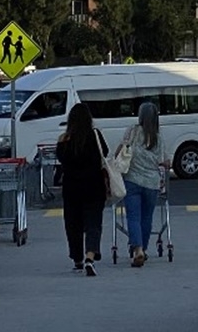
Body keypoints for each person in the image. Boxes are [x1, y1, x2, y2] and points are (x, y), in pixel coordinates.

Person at [56, 103, 109, 276]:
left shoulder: (64, 139)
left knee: (73, 224)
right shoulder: (95, 135)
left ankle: (77, 258)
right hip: (94, 186)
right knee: (94, 223)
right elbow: (105, 152)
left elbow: (61, 159)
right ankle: (90, 257)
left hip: (72, 188)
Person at [119, 101, 169, 267]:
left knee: (133, 217)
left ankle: (137, 249)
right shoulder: (158, 137)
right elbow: (164, 161)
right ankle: (144, 249)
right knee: (146, 218)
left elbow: (120, 150)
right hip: (152, 183)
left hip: (132, 179)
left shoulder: (132, 131)